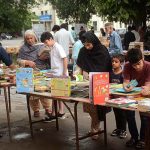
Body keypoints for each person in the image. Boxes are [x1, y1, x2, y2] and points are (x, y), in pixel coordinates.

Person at [76, 31, 112, 140]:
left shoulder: (102, 50)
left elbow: (105, 67)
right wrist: (78, 74)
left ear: (94, 41)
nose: (87, 47)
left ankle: (95, 129)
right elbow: (80, 66)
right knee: (90, 108)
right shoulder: (83, 51)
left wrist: (93, 75)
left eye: (88, 44)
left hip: (100, 83)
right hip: (86, 84)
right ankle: (96, 127)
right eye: (85, 45)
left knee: (98, 108)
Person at [17, 29, 51, 118]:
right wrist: (27, 62)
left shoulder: (41, 46)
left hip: (42, 71)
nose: (30, 40)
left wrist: (46, 57)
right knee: (32, 94)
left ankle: (47, 109)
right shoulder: (23, 48)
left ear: (35, 37)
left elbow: (50, 58)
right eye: (27, 39)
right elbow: (18, 60)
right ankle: (36, 110)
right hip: (30, 72)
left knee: (43, 91)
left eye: (31, 38)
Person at [123, 48, 150, 149]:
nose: (137, 67)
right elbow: (126, 82)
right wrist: (126, 86)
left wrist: (146, 89)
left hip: (145, 95)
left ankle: (143, 139)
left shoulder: (148, 66)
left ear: (143, 58)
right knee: (129, 115)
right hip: (132, 94)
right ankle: (134, 137)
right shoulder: (127, 65)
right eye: (134, 65)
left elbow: (147, 85)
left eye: (139, 63)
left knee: (144, 117)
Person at [40, 31, 68, 121]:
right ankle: (58, 112)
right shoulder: (52, 48)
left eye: (46, 42)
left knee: (57, 95)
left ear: (51, 39)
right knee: (56, 95)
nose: (46, 44)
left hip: (60, 74)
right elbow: (55, 62)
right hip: (56, 74)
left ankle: (57, 113)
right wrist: (51, 73)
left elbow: (65, 59)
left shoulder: (58, 47)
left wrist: (64, 73)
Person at [110, 54, 127, 139]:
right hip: (113, 99)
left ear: (121, 63)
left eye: (116, 62)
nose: (113, 63)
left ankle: (123, 130)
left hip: (122, 99)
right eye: (112, 61)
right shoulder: (110, 73)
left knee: (122, 114)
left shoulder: (123, 74)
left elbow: (127, 85)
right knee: (116, 113)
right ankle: (118, 129)